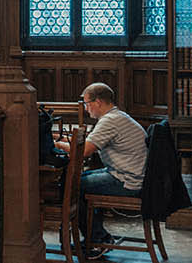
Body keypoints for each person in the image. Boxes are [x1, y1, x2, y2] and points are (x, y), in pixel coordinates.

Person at [54, 82, 148, 258]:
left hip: (126, 181)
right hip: (127, 175)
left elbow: (84, 151)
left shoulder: (109, 121)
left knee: (73, 186)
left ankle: (98, 240)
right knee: (79, 180)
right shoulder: (117, 116)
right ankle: (97, 237)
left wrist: (57, 144)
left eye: (87, 104)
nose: (87, 108)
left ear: (97, 102)